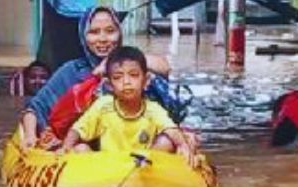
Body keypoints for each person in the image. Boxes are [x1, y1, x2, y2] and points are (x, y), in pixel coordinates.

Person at [20, 6, 176, 150]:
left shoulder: (133, 64)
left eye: (110, 31)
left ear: (119, 33)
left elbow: (164, 67)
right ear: (83, 36)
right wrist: (30, 136)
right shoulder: (72, 72)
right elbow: (34, 109)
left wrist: (109, 63)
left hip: (139, 147)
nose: (103, 39)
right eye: (94, 32)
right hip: (86, 151)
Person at [62, 46, 197, 167]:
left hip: (141, 166)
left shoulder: (153, 109)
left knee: (166, 142)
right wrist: (65, 149)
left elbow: (170, 129)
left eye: (133, 75)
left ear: (145, 81)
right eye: (118, 77)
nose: (126, 82)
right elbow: (78, 130)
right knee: (81, 149)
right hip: (106, 166)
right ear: (109, 85)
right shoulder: (103, 105)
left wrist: (183, 145)